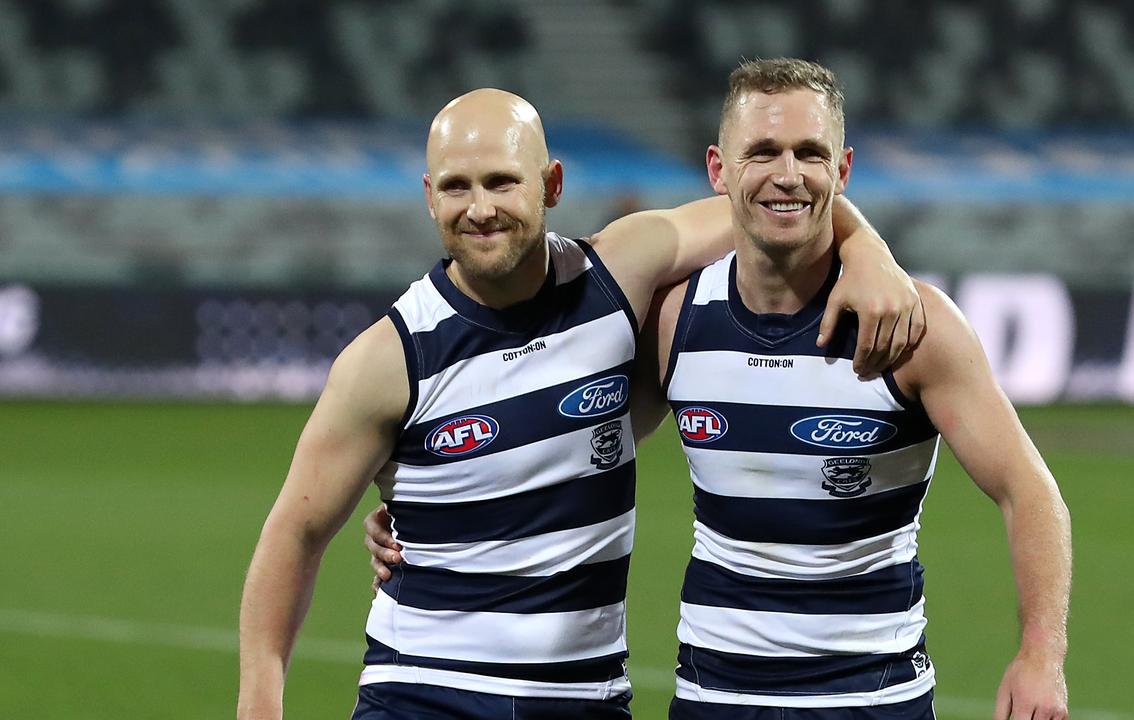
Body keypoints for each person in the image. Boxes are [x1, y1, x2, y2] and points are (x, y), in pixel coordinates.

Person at [364, 58, 1073, 720]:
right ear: (719, 170)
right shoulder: (676, 321)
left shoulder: (911, 326)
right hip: (712, 699)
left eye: (810, 153)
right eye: (763, 153)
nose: (787, 174)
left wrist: (1042, 652)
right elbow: (576, 445)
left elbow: (1028, 489)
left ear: (844, 169)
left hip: (872, 700)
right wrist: (436, 510)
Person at [237, 86, 922, 720]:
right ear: (428, 196)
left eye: (503, 181)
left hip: (585, 699)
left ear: (551, 184)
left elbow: (774, 197)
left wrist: (868, 250)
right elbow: (294, 533)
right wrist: (259, 704)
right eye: (456, 187)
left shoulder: (618, 275)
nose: (481, 208)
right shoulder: (387, 359)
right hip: (424, 693)